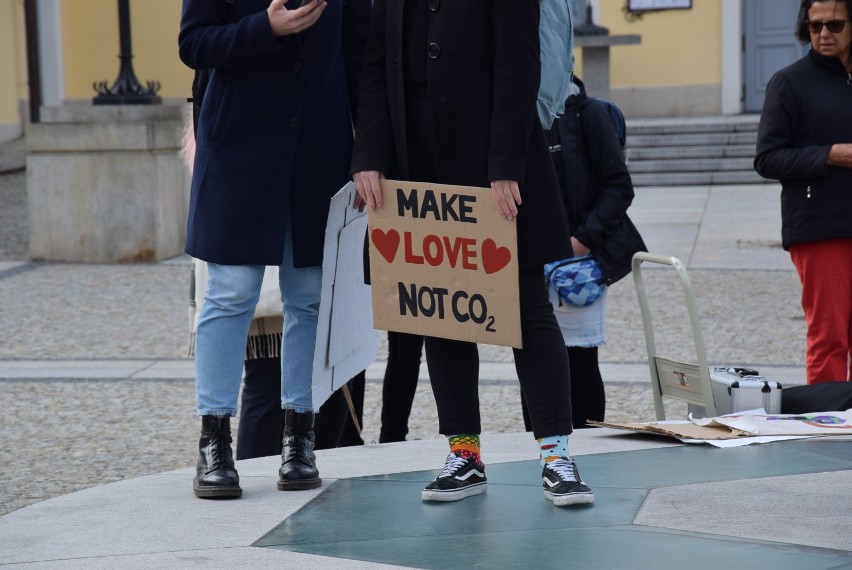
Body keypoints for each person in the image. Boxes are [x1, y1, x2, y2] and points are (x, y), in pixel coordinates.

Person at [351, 1, 594, 507]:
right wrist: (369, 156)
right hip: (413, 155)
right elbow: (375, 65)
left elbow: (518, 62)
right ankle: (464, 455)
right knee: (441, 310)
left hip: (490, 154)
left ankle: (556, 455)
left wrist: (505, 163)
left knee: (528, 309)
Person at [178, 0, 371, 499]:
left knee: (308, 296)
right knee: (230, 292)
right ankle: (213, 443)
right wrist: (263, 28)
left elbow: (360, 61)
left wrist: (368, 153)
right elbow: (193, 43)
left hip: (317, 151)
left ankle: (299, 439)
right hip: (238, 148)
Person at [522, 75, 646, 430]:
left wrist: (581, 241)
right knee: (533, 360)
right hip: (530, 261)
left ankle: (588, 448)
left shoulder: (586, 114)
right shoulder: (515, 112)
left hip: (578, 262)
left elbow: (618, 186)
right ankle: (540, 447)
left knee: (580, 361)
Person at [754, 0, 852, 384]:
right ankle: (827, 433)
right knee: (830, 336)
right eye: (814, 26)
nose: (824, 34)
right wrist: (830, 155)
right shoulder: (789, 81)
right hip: (820, 227)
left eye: (835, 24)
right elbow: (768, 158)